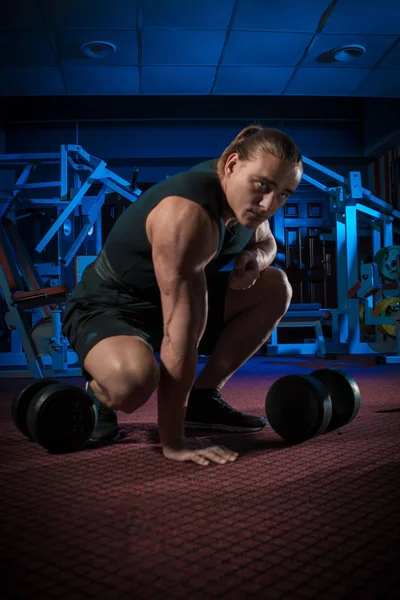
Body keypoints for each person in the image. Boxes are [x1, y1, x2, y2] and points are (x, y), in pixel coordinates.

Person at [62, 125, 303, 466]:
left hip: (170, 301)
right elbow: (181, 337)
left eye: (284, 194)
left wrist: (254, 258)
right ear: (232, 165)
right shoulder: (188, 215)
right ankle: (98, 393)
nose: (269, 203)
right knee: (133, 383)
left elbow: (266, 242)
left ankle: (203, 398)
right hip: (112, 305)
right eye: (263, 186)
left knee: (276, 285)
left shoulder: (247, 204)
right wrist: (174, 443)